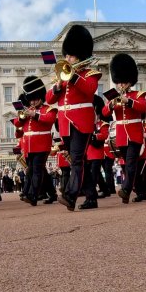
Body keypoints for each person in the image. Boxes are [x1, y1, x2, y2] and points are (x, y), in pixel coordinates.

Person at [46, 25, 101, 212]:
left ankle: (70, 196)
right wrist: (57, 87)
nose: (67, 59)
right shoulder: (61, 77)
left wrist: (73, 77)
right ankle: (91, 197)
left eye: (71, 56)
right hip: (65, 124)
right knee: (79, 161)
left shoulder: (89, 74)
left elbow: (90, 90)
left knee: (77, 159)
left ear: (80, 55)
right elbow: (49, 99)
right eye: (67, 55)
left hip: (82, 122)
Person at [104, 53, 146, 205]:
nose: (121, 85)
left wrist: (128, 101)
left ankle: (126, 189)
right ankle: (141, 191)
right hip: (121, 135)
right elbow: (104, 113)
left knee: (130, 162)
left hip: (135, 133)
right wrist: (110, 104)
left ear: (129, 82)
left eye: (123, 82)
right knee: (127, 164)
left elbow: (143, 107)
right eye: (119, 82)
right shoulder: (113, 97)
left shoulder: (138, 94)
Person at [17, 80, 58, 207]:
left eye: (35, 99)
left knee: (36, 171)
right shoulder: (28, 109)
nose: (32, 102)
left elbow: (49, 119)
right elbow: (17, 124)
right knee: (36, 171)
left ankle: (33, 195)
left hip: (42, 145)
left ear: (40, 98)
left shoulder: (48, 109)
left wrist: (35, 115)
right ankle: (52, 193)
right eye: (31, 100)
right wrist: (21, 117)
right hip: (29, 147)